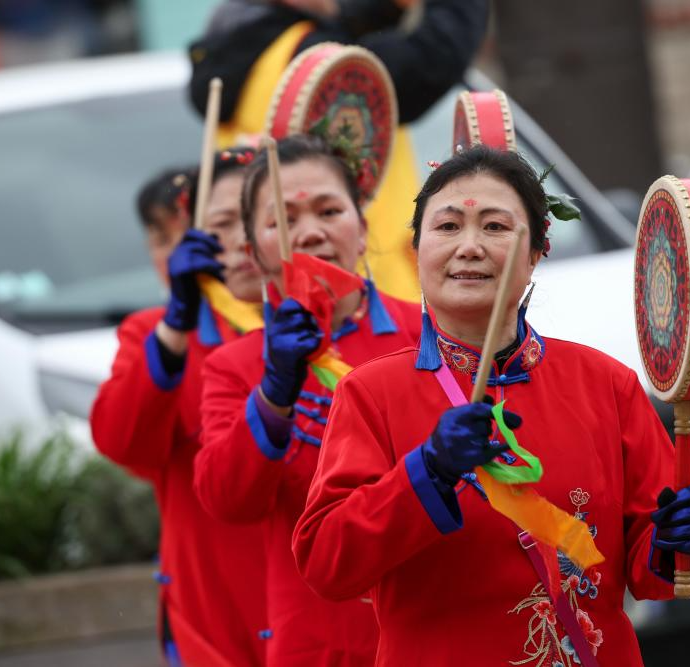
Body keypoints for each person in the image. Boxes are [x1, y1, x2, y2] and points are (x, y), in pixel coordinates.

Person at [293, 145, 690, 666]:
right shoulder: (370, 393)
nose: (469, 247)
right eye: (447, 227)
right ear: (416, 250)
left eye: (495, 227)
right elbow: (327, 565)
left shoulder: (608, 384)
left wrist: (684, 540)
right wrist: (427, 472)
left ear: (537, 250)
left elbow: (654, 572)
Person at [194, 134, 421, 666]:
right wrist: (274, 394)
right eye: (283, 220)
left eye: (329, 211)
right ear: (254, 252)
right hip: (319, 644)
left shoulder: (429, 335)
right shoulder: (235, 367)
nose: (311, 232)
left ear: (362, 229)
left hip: (433, 626)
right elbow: (228, 501)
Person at [91, 149, 269, 666]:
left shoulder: (328, 325)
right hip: (213, 605)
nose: (240, 238)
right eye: (222, 223)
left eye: (252, 218)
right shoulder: (153, 332)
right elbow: (121, 442)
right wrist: (175, 327)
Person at [189, 0, 491, 302]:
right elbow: (430, 60)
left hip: (282, 292)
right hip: (364, 291)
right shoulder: (317, 57)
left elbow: (347, 22)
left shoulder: (249, 51)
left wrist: (388, 9)